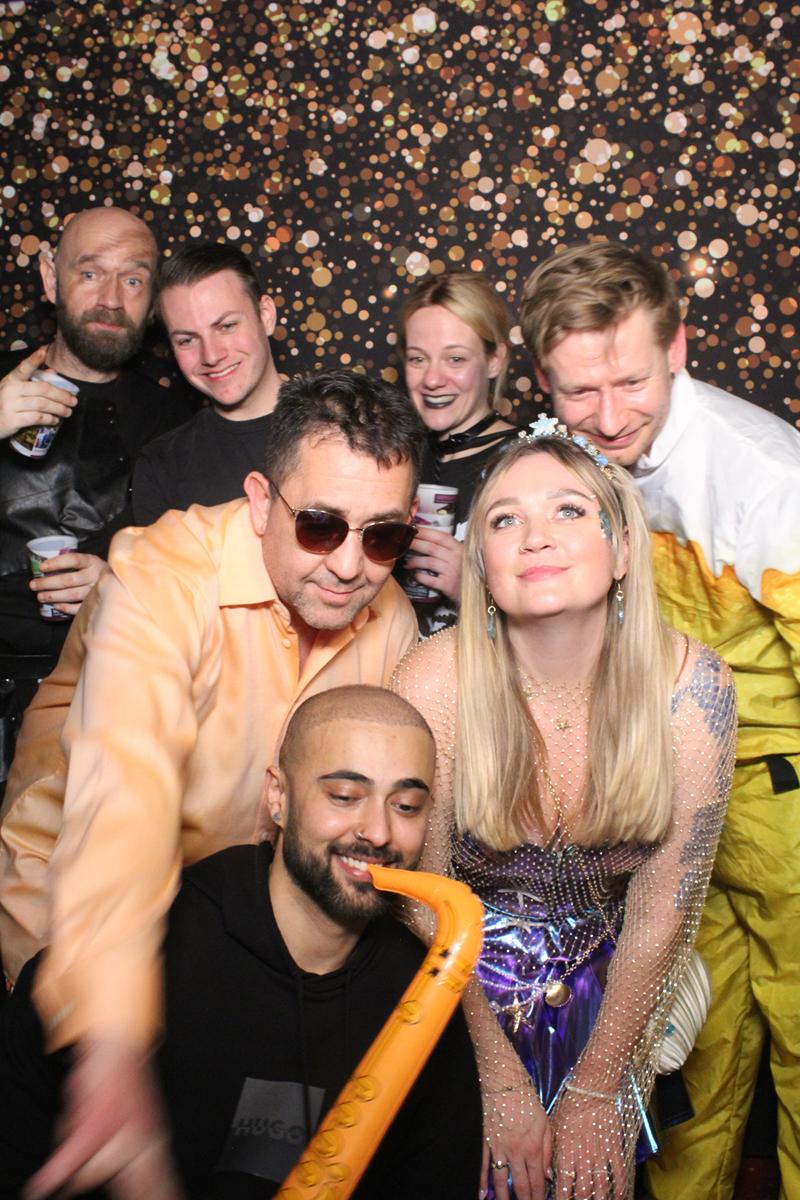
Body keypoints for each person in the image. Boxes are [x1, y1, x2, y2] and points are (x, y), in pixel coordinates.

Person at [0, 368, 425, 1197]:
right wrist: (108, 1043)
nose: (350, 565)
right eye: (320, 525)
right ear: (261, 501)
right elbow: (127, 792)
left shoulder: (393, 619)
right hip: (74, 941)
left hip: (228, 958)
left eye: (381, 537)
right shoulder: (158, 576)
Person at [519, 241, 800, 1200]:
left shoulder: (765, 473)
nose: (607, 417)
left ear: (677, 347)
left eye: (632, 382)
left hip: (782, 795)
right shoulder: (576, 460)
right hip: (674, 792)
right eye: (578, 391)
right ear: (543, 378)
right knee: (685, 1054)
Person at [393, 423, 737, 1200]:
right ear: (481, 561)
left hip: (612, 995)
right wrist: (494, 1076)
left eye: (569, 510)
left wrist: (599, 1085)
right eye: (504, 518)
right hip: (453, 990)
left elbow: (665, 910)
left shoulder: (694, 689)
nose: (535, 536)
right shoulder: (433, 680)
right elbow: (421, 900)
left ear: (623, 550)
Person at [0, 686, 482, 1199]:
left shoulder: (422, 991)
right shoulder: (135, 953)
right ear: (278, 798)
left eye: (406, 806)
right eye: (344, 797)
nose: (379, 832)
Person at [0, 206, 193, 789]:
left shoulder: (179, 424)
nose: (111, 299)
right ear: (50, 278)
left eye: (133, 279)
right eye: (90, 273)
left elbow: (205, 584)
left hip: (107, 711)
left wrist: (124, 584)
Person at [396, 270, 518, 635]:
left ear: (494, 360)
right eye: (418, 359)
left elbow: (566, 624)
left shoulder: (526, 463)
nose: (432, 380)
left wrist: (473, 588)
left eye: (455, 359)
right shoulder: (392, 457)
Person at [132, 243, 282, 525]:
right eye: (187, 340)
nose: (211, 355)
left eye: (226, 326)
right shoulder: (161, 466)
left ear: (266, 316)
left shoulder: (347, 426)